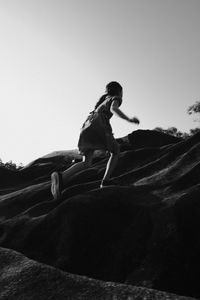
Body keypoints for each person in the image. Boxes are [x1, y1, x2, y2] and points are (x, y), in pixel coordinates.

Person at [51, 81, 140, 200]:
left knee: (87, 163)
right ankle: (105, 181)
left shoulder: (102, 101)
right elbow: (114, 109)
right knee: (116, 151)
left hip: (87, 127)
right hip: (98, 126)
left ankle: (61, 176)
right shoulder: (116, 98)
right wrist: (128, 119)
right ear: (119, 91)